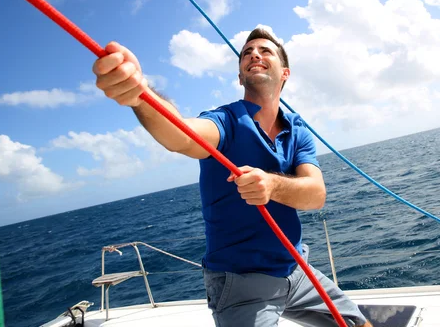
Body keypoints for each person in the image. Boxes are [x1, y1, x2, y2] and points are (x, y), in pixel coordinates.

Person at [92, 27, 371, 327]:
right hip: (241, 283)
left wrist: (271, 184)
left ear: (285, 73)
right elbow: (182, 136)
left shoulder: (297, 130)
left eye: (266, 51)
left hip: (296, 268)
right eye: (247, 53)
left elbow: (315, 194)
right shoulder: (226, 121)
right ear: (240, 77)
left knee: (360, 323)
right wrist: (140, 94)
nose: (254, 54)